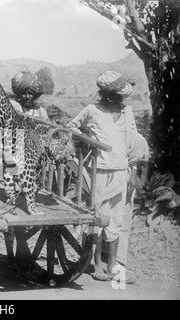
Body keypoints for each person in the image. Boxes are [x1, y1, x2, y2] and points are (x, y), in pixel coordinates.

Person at [67, 70, 138, 283]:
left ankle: (113, 265)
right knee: (98, 218)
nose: (121, 100)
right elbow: (71, 127)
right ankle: (97, 263)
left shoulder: (127, 113)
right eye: (117, 96)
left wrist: (132, 171)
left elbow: (133, 144)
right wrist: (88, 141)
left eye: (122, 97)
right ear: (107, 95)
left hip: (120, 172)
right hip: (98, 172)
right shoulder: (92, 110)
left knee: (116, 220)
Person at [117, 132, 149, 270]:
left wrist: (139, 179)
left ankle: (119, 260)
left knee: (124, 217)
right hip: (110, 175)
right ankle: (97, 255)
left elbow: (144, 161)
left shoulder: (137, 138)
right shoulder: (108, 132)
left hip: (127, 176)